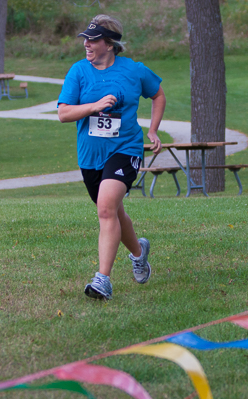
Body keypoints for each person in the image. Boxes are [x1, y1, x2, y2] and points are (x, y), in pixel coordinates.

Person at [57, 14, 166, 300]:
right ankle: (139, 253)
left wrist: (153, 129)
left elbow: (158, 95)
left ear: (110, 43)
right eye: (85, 39)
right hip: (90, 156)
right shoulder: (78, 71)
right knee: (114, 212)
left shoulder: (134, 71)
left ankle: (102, 280)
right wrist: (93, 106)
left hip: (125, 149)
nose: (86, 44)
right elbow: (63, 113)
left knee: (106, 209)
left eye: (93, 40)